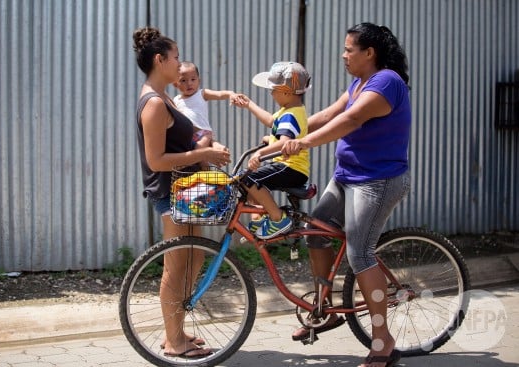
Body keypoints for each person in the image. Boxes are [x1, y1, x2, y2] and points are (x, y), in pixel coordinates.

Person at [281, 23, 411, 367]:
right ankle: (325, 310)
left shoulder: (387, 82)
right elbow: (327, 115)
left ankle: (382, 340)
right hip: (346, 177)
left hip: (377, 181)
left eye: (349, 49)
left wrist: (302, 143)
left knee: (360, 254)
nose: (343, 55)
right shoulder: (358, 82)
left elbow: (351, 120)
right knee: (317, 233)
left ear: (369, 53)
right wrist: (283, 132)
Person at [132, 26, 231, 359]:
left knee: (194, 257)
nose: (180, 64)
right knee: (176, 266)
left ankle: (176, 329)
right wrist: (202, 155)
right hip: (172, 193)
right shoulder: (154, 104)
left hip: (188, 191)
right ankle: (173, 341)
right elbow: (156, 160)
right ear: (160, 60)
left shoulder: (162, 99)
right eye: (175, 57)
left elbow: (183, 141)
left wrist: (208, 146)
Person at [235, 61, 311, 239]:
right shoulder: (289, 110)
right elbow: (272, 122)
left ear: (286, 91)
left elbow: (285, 142)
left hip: (291, 168)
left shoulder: (290, 115)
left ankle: (278, 219)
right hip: (288, 167)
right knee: (246, 179)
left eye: (273, 90)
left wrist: (260, 153)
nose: (271, 93)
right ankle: (263, 216)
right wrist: (249, 104)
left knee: (249, 178)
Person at [173, 61, 245, 150]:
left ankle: (214, 146)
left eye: (193, 79)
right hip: (187, 135)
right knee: (197, 158)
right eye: (183, 80)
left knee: (199, 152)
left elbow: (219, 94)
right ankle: (215, 145)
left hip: (202, 133)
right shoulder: (176, 100)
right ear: (176, 84)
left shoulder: (202, 94)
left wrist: (231, 94)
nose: (189, 83)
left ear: (199, 81)